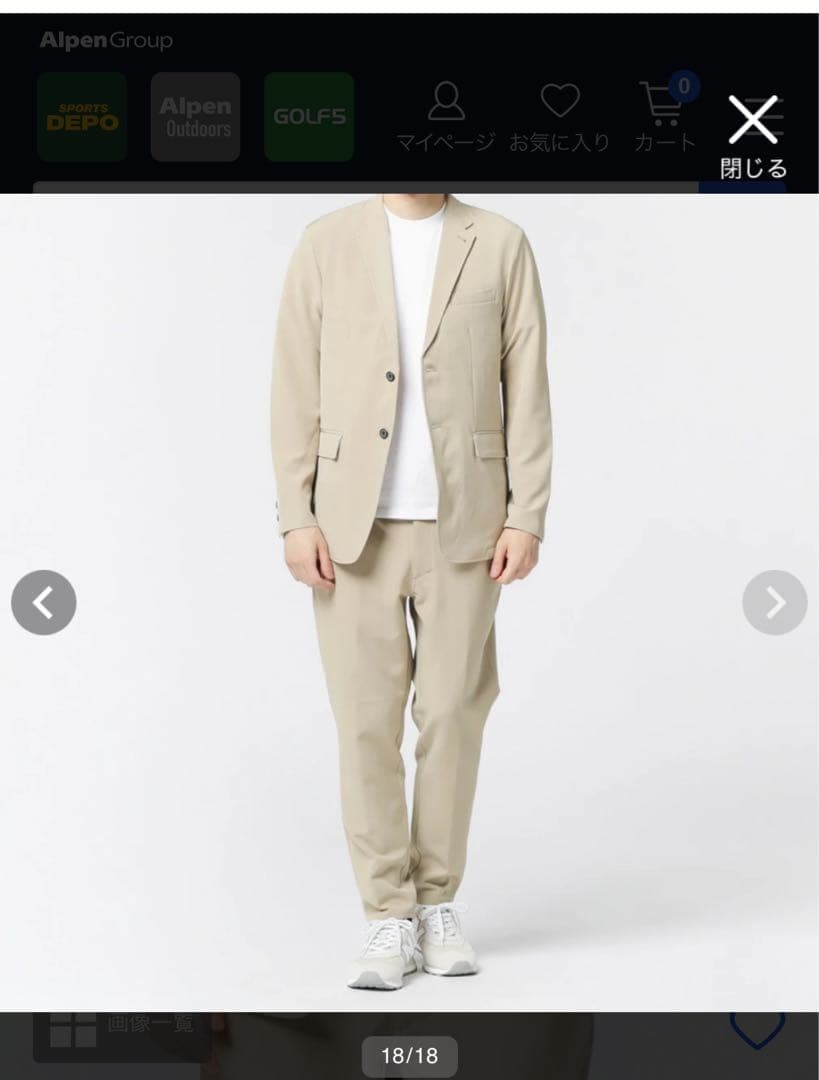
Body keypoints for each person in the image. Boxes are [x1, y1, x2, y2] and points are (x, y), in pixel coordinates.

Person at [271, 193, 551, 990]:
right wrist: (296, 514)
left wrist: (526, 513)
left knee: (454, 716)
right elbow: (294, 383)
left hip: (467, 520)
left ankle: (436, 904)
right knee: (365, 724)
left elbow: (527, 384)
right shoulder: (325, 242)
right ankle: (386, 914)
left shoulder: (499, 242)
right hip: (350, 525)